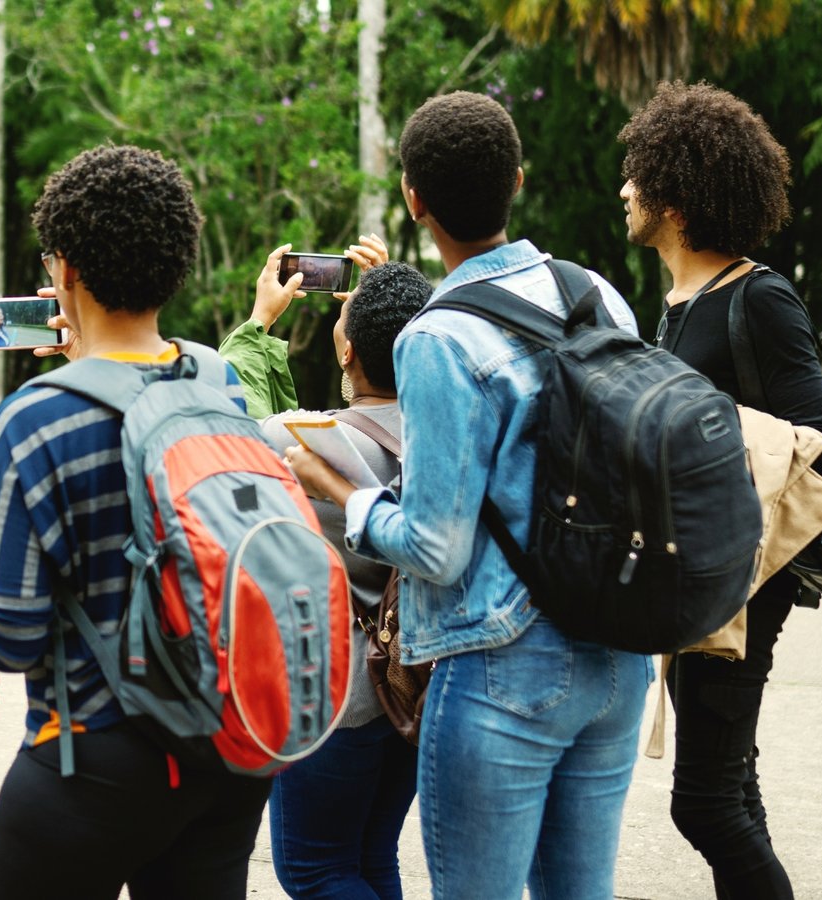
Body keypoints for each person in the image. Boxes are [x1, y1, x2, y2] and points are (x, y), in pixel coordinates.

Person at [285, 91, 651, 900]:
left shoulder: (437, 336)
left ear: (415, 202)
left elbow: (436, 547)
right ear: (517, 180)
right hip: (620, 652)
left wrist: (345, 494)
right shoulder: (595, 292)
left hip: (504, 664)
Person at [0, 144, 269, 900]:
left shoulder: (36, 418)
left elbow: (17, 636)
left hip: (97, 762)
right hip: (225, 747)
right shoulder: (221, 384)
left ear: (64, 271)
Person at [618, 81, 822, 900]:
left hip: (746, 582)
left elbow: (821, 445)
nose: (624, 191)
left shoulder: (760, 297)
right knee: (732, 793)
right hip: (698, 573)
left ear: (674, 200)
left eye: (636, 177)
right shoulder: (679, 305)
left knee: (705, 806)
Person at [219, 241, 431, 899]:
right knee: (371, 858)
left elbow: (224, 431)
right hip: (415, 685)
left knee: (316, 871)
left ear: (347, 352)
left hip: (335, 702)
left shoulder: (302, 445)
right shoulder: (449, 436)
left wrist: (258, 326)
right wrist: (399, 296)